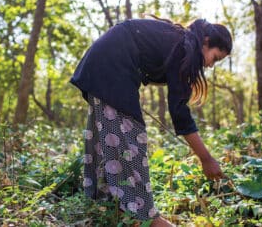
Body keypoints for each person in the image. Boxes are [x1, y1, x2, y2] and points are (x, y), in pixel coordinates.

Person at [70, 16, 232, 226]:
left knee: (109, 136)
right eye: (215, 58)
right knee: (130, 137)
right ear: (207, 40)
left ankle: (113, 206)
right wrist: (206, 158)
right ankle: (147, 217)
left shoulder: (178, 42)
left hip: (105, 61)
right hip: (112, 64)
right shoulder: (185, 47)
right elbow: (179, 112)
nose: (210, 65)